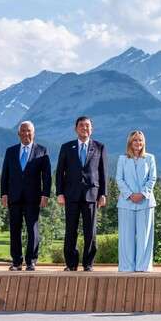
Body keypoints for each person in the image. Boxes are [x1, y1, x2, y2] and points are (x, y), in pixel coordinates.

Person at [56, 116, 107, 272]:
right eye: (81, 126)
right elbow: (59, 172)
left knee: (90, 231)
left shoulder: (99, 147)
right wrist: (59, 192)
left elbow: (103, 172)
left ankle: (88, 263)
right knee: (70, 230)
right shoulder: (66, 147)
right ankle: (71, 264)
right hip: (71, 194)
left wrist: (103, 193)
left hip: (92, 194)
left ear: (92, 129)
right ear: (76, 128)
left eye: (87, 126)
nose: (84, 128)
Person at [0, 120, 51, 271]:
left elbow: (47, 176)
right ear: (18, 134)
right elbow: (5, 174)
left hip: (33, 197)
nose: (26, 133)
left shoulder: (42, 150)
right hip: (14, 197)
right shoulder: (11, 151)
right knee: (15, 229)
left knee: (32, 229)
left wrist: (45, 195)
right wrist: (4, 193)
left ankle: (31, 261)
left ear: (33, 133)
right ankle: (16, 262)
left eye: (29, 131)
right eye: (23, 131)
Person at [116, 130, 157, 272]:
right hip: (126, 202)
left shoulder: (150, 158)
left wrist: (142, 194)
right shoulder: (122, 159)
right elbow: (119, 179)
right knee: (126, 237)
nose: (138, 143)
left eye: (140, 140)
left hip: (145, 202)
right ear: (130, 142)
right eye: (135, 140)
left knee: (144, 236)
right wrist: (130, 195)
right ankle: (126, 266)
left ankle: (143, 266)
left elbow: (152, 178)